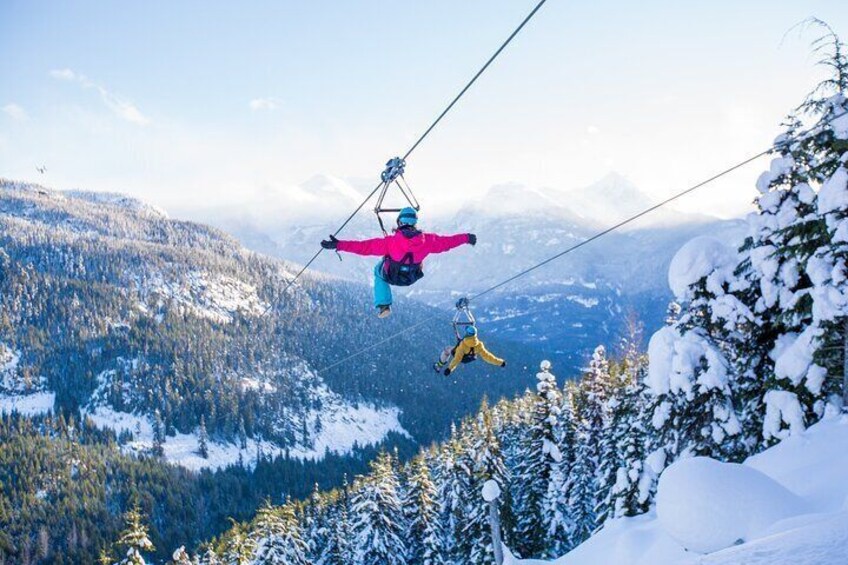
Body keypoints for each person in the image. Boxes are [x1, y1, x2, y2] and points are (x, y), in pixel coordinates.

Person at [321, 207, 476, 318]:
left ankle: (384, 305)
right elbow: (447, 242)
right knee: (394, 265)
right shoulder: (428, 241)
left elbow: (364, 247)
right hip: (411, 277)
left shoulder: (390, 242)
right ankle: (384, 305)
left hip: (391, 276)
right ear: (415, 223)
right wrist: (466, 237)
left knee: (377, 271)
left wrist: (338, 244)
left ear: (400, 222)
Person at [434, 325, 507, 376]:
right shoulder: (479, 345)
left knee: (447, 350)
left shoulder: (463, 345)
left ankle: (439, 365)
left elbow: (457, 359)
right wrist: (500, 362)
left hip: (461, 355)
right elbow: (488, 357)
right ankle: (440, 365)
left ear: (468, 334)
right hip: (470, 357)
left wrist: (449, 369)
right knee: (456, 347)